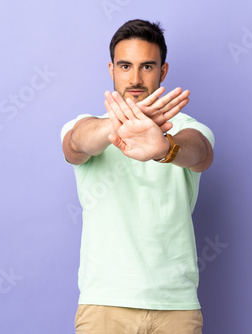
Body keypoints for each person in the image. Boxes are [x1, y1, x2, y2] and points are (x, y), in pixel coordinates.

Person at [61, 19, 214, 334]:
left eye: (146, 66)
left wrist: (164, 147)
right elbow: (75, 145)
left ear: (163, 71)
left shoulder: (187, 129)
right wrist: (114, 126)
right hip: (104, 306)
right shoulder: (89, 126)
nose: (135, 77)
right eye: (125, 66)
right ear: (111, 69)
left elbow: (200, 154)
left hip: (176, 307)